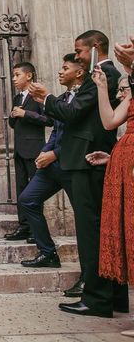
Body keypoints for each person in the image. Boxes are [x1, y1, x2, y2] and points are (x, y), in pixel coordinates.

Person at [30, 29, 126, 318]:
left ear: (95, 47)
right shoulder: (100, 74)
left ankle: (97, 299)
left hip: (87, 160)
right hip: (86, 158)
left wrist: (47, 98)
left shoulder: (103, 74)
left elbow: (74, 114)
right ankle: (116, 297)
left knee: (90, 231)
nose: (79, 59)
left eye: (80, 52)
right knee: (99, 229)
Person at [18, 54, 85, 272]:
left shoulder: (85, 98)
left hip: (73, 165)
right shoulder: (63, 97)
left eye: (65, 68)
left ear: (79, 72)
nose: (59, 71)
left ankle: (90, 275)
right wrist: (45, 152)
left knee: (84, 219)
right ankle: (47, 253)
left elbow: (82, 135)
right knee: (27, 199)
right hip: (52, 165)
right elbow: (56, 129)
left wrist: (54, 154)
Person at [87, 38, 134, 336]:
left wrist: (130, 64)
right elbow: (109, 122)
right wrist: (103, 87)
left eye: (123, 88)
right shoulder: (128, 97)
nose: (122, 92)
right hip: (125, 158)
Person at [5, 62, 53, 242]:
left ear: (29, 76)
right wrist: (13, 115)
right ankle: (23, 226)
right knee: (21, 190)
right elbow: (13, 124)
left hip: (34, 150)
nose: (14, 79)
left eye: (17, 75)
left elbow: (48, 120)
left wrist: (25, 114)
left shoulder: (38, 96)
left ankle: (35, 230)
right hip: (19, 151)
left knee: (34, 191)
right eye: (13, 75)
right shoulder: (18, 99)